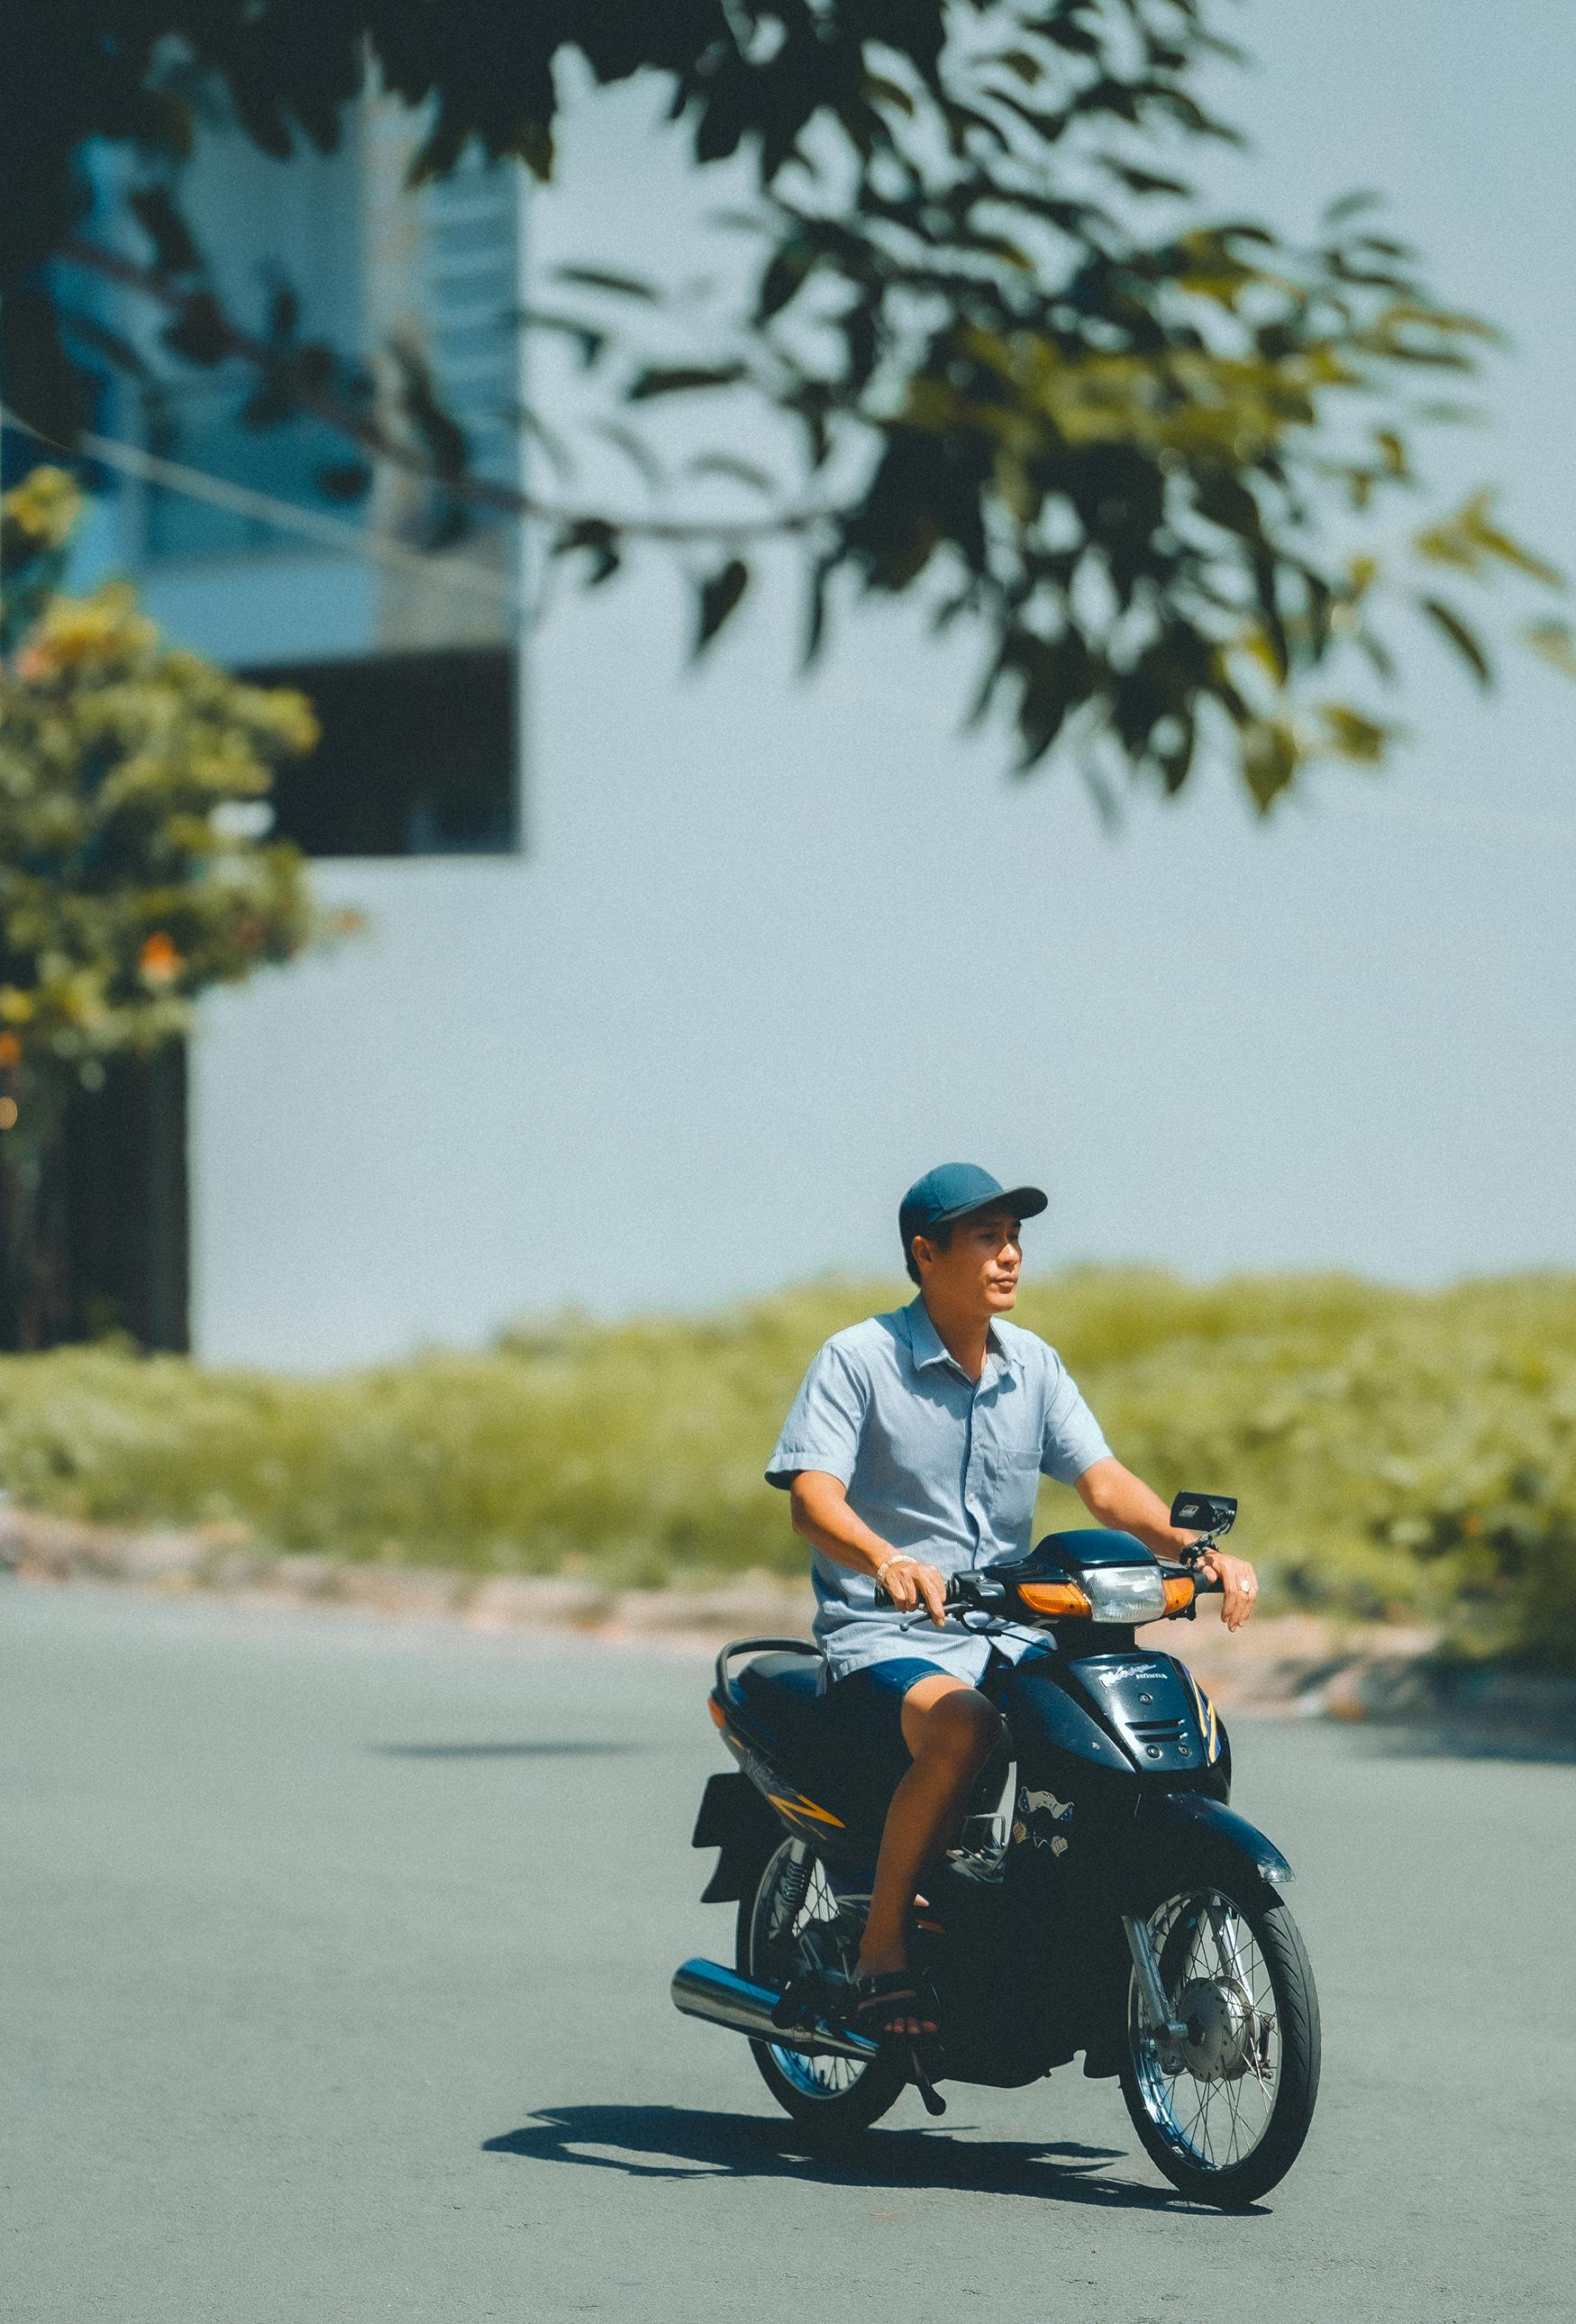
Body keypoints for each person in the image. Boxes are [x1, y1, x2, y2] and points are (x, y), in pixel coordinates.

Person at [765, 1162, 1260, 2042]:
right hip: (887, 1634)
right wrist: (884, 1558)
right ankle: (884, 1947)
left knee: (1141, 1718)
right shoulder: (859, 1357)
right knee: (967, 1727)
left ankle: (1085, 1919)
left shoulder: (1033, 1365)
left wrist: (1191, 1550)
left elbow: (1103, 1482)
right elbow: (813, 1496)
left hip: (1009, 1625)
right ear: (927, 1253)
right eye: (987, 1237)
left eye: (1016, 1236)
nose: (1010, 1255)